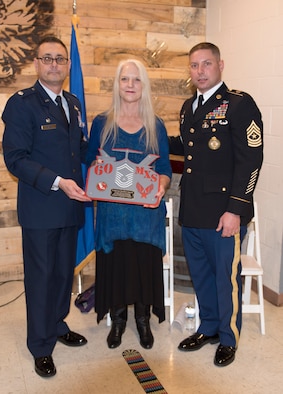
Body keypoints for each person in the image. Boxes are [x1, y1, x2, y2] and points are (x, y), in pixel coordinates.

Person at [169, 42, 263, 367]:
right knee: (202, 275)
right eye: (194, 66)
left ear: (220, 65)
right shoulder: (187, 107)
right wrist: (143, 137)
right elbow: (184, 147)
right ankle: (208, 327)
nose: (199, 71)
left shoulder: (238, 104)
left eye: (206, 64)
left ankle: (228, 336)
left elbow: (251, 160)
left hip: (225, 212)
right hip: (193, 209)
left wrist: (236, 209)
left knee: (226, 278)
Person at [2, 36, 91, 378]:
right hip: (41, 208)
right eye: (47, 58)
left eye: (60, 59)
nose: (55, 64)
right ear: (36, 64)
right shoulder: (22, 104)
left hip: (70, 209)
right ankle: (40, 345)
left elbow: (79, 151)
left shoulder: (73, 103)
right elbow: (16, 159)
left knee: (62, 274)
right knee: (41, 279)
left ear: (68, 65)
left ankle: (56, 324)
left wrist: (108, 163)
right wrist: (58, 182)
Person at [87, 59, 172, 350]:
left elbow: (165, 171)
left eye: (136, 80)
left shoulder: (155, 125)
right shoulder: (101, 123)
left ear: (144, 85)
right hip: (113, 216)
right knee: (117, 266)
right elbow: (89, 162)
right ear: (117, 84)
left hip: (146, 217)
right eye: (125, 79)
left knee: (143, 267)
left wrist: (160, 187)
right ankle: (119, 319)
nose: (131, 85)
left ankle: (143, 321)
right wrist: (96, 172)